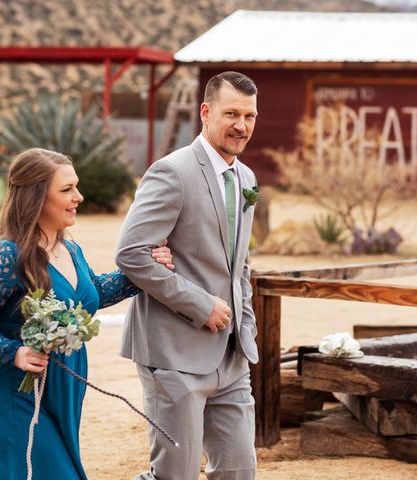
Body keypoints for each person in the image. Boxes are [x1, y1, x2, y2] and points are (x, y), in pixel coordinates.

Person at [0, 147, 174, 480]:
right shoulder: (5, 256)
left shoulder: (70, 248)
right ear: (35, 196)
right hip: (15, 400)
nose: (79, 196)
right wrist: (14, 352)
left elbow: (96, 292)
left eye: (76, 186)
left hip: (61, 395)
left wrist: (147, 267)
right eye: (66, 189)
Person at [116, 71, 260, 480]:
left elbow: (240, 263)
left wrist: (245, 326)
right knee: (174, 475)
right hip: (174, 354)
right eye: (232, 113)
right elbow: (132, 253)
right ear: (205, 112)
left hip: (232, 357)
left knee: (239, 470)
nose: (241, 125)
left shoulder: (246, 178)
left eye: (250, 116)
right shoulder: (172, 171)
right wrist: (200, 304)